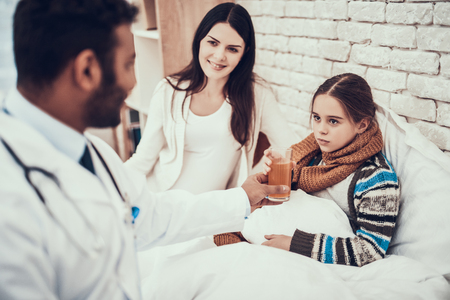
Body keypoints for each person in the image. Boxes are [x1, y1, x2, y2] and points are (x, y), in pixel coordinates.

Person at [0, 0, 288, 299]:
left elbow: (151, 217)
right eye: (128, 64)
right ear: (87, 70)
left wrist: (242, 197)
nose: (133, 81)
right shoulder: (10, 206)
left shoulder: (97, 153)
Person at [124, 3, 298, 195]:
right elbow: (142, 160)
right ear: (200, 39)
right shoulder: (168, 90)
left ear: (244, 52)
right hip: (161, 203)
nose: (219, 56)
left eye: (232, 49)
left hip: (212, 214)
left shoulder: (257, 94)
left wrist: (262, 169)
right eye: (213, 43)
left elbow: (292, 146)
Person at [261, 73, 401, 267]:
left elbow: (370, 250)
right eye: (317, 118)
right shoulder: (313, 155)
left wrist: (293, 244)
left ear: (362, 124)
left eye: (333, 121)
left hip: (316, 263)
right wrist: (281, 177)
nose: (320, 130)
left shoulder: (376, 178)